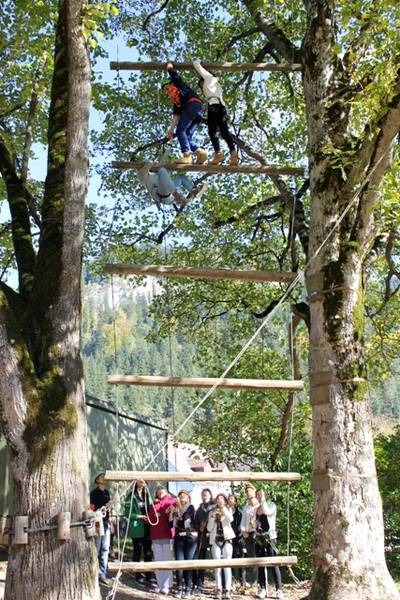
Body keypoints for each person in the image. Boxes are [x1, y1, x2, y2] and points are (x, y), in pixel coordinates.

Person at [192, 59, 238, 166]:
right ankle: (233, 152)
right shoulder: (218, 85)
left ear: (202, 81)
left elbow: (196, 64)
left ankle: (218, 154)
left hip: (214, 106)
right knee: (224, 132)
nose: (202, 88)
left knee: (212, 131)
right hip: (222, 108)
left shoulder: (208, 77)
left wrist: (200, 61)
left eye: (201, 85)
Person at [138, 145, 208, 208]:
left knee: (180, 177)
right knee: (162, 170)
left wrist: (169, 146)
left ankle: (194, 190)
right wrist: (149, 164)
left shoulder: (158, 172)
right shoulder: (145, 178)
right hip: (163, 196)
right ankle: (176, 195)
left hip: (169, 190)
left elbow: (164, 159)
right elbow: (144, 170)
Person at [164, 61, 207, 165]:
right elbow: (176, 115)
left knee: (180, 131)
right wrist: (171, 130)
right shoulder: (177, 101)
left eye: (168, 87)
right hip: (199, 110)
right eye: (166, 90)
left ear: (172, 84)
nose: (168, 91)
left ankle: (187, 155)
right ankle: (200, 152)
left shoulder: (180, 87)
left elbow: (175, 76)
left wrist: (169, 68)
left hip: (193, 105)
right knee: (187, 135)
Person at [255, 489, 284, 600]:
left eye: (261, 495)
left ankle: (279, 590)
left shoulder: (271, 505)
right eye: (258, 495)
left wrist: (262, 501)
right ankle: (263, 588)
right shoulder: (256, 507)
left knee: (274, 563)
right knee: (261, 564)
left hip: (270, 537)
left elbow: (266, 511)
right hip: (259, 538)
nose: (259, 496)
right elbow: (255, 520)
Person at [124, 479, 153, 586]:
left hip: (148, 528)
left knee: (148, 552)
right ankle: (138, 576)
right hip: (137, 528)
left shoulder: (147, 496)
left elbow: (152, 509)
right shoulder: (130, 497)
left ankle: (149, 576)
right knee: (137, 552)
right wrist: (139, 516)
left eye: (144, 482)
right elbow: (127, 513)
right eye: (140, 481)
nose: (143, 483)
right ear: (136, 483)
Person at [170, 489, 198, 598]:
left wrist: (178, 505)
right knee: (179, 564)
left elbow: (185, 516)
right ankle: (179, 587)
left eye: (184, 495)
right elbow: (170, 524)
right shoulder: (175, 508)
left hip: (190, 538)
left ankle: (188, 588)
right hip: (179, 538)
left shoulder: (191, 507)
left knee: (188, 564)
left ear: (188, 498)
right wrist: (171, 512)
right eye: (180, 495)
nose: (182, 497)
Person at [148, 485, 176, 595]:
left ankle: (166, 585)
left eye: (162, 492)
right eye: (158, 492)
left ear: (166, 492)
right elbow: (150, 518)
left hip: (168, 534)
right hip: (156, 535)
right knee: (158, 561)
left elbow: (174, 508)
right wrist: (155, 514)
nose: (160, 494)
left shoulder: (172, 501)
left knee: (167, 561)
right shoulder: (153, 504)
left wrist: (164, 511)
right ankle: (160, 585)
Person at [207, 493, 235, 600]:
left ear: (225, 501)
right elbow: (209, 529)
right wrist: (212, 517)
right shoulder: (212, 512)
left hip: (227, 540)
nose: (220, 500)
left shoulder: (228, 510)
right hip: (215, 541)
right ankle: (218, 589)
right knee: (217, 566)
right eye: (218, 499)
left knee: (227, 565)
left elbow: (230, 519)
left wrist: (223, 509)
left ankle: (227, 590)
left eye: (222, 499)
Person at [90, 472, 111, 585]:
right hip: (98, 522)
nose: (104, 478)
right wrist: (95, 514)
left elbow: (109, 509)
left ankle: (102, 574)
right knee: (97, 548)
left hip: (106, 523)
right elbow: (91, 508)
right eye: (102, 477)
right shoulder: (93, 494)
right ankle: (94, 572)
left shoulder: (107, 493)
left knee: (105, 548)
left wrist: (110, 522)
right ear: (97, 479)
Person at [194, 488, 215, 594]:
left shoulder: (215, 506)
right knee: (201, 560)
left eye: (206, 494)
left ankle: (221, 586)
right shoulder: (199, 509)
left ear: (210, 495)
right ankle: (199, 583)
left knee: (217, 561)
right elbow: (195, 523)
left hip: (213, 537)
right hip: (202, 537)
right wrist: (200, 527)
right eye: (203, 494)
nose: (204, 495)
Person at [240, 484, 259, 590]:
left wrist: (255, 526)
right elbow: (243, 522)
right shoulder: (246, 507)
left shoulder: (259, 505)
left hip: (256, 534)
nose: (248, 493)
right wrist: (243, 531)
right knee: (249, 558)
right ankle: (249, 582)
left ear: (254, 491)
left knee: (257, 558)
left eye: (250, 490)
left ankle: (256, 582)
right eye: (247, 491)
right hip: (247, 534)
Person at [227, 494, 245, 589]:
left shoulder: (239, 513)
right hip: (229, 538)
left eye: (232, 499)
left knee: (240, 559)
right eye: (229, 499)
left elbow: (242, 524)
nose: (230, 500)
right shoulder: (226, 511)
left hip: (238, 538)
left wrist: (241, 535)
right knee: (230, 559)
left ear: (235, 501)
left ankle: (242, 581)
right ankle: (232, 580)